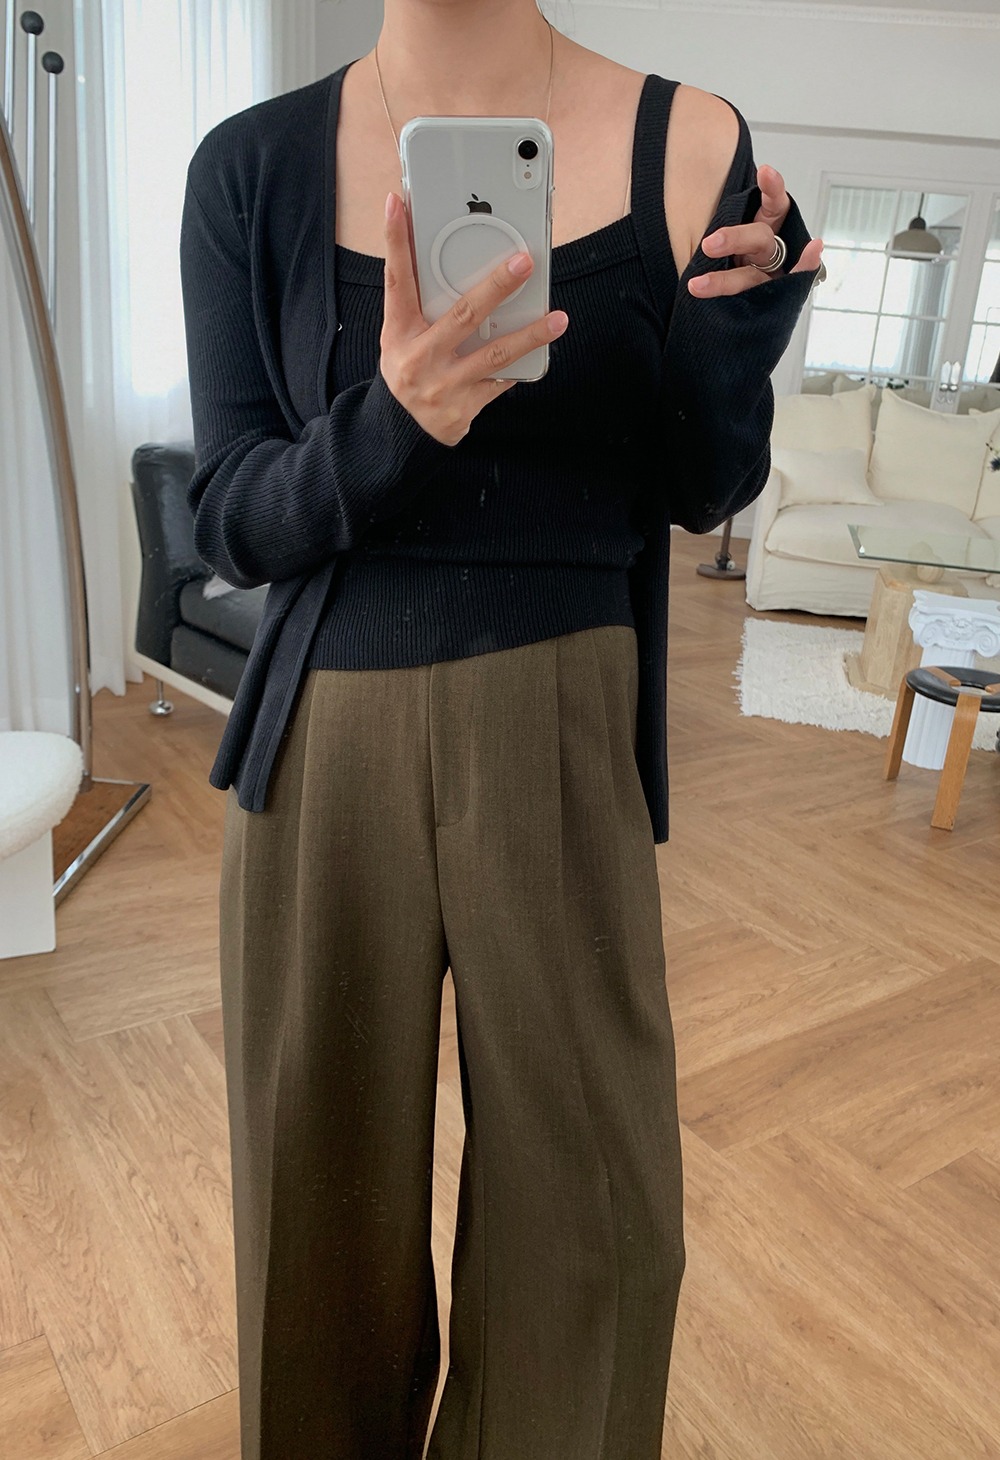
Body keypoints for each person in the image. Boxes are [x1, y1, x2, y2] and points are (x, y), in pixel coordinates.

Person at [178, 2, 824, 1457]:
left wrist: (743, 333)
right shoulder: (252, 167)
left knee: (598, 1213)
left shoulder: (689, 138)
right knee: (313, 1201)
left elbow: (704, 489)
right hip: (326, 729)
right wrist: (397, 419)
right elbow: (227, 517)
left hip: (565, 717)